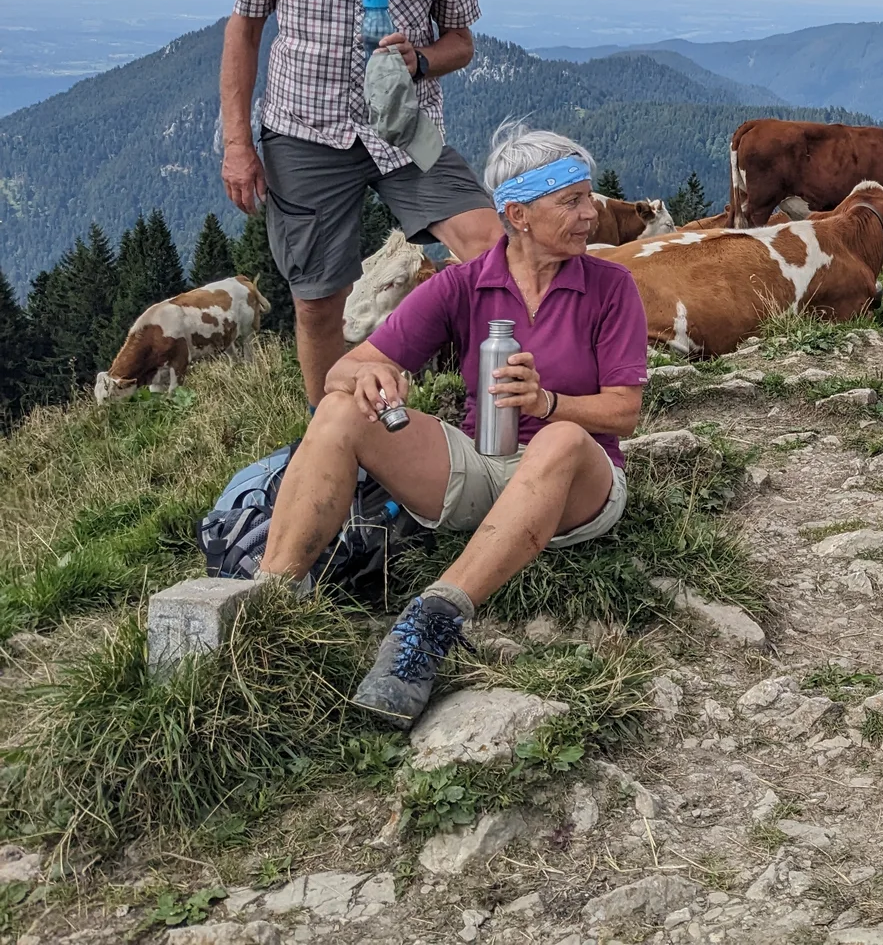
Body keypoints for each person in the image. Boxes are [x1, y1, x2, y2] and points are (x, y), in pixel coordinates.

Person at [257, 124, 649, 726]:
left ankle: (433, 620)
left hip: (577, 484)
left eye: (588, 197)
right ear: (517, 214)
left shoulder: (610, 285)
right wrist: (365, 378)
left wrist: (549, 404)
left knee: (564, 438)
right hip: (482, 463)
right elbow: (349, 367)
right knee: (341, 410)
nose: (591, 214)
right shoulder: (461, 285)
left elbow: (624, 410)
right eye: (570, 201)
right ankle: (271, 597)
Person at [220, 0, 502, 407]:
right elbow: (243, 33)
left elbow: (461, 39)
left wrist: (422, 60)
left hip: (405, 131)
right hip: (305, 133)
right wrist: (238, 144)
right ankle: (333, 433)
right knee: (320, 299)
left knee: (491, 248)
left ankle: (493, 399)